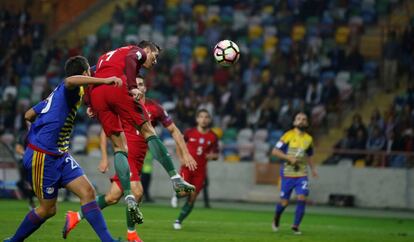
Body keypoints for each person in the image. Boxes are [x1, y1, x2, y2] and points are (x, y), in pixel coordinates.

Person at [4, 56, 123, 242]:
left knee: (88, 193)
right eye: (88, 74)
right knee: (48, 210)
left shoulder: (57, 95)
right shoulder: (69, 87)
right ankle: (13, 241)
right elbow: (70, 80)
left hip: (59, 154)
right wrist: (105, 80)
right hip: (42, 157)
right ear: (84, 74)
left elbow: (28, 115)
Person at [64, 76, 196, 242]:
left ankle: (75, 216)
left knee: (112, 197)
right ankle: (132, 234)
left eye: (141, 84)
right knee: (137, 192)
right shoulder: (122, 104)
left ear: (145, 88)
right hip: (127, 158)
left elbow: (174, 130)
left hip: (139, 161)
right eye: (135, 84)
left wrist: (186, 153)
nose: (138, 87)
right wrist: (104, 157)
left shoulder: (155, 108)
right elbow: (106, 131)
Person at [88, 41, 196, 231]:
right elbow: (132, 58)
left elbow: (88, 73)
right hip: (117, 86)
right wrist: (131, 86)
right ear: (148, 50)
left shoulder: (106, 56)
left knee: (118, 148)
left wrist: (90, 101)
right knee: (149, 131)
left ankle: (126, 197)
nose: (154, 61)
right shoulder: (135, 51)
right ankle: (175, 179)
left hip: (98, 93)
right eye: (155, 56)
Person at [271, 112, 318, 235]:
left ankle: (295, 226)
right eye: (298, 119)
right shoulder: (287, 135)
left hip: (302, 174)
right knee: (284, 202)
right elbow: (275, 151)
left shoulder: (309, 139)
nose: (301, 121)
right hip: (287, 173)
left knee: (302, 197)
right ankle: (276, 217)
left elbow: (310, 155)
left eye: (304, 119)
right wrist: (289, 158)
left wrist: (313, 169)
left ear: (307, 123)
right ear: (294, 122)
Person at [173, 109, 219, 230]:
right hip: (187, 167)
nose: (204, 119)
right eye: (201, 117)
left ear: (209, 120)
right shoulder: (190, 132)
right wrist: (181, 158)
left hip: (200, 171)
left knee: (192, 197)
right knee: (183, 192)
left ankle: (179, 221)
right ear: (197, 119)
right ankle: (177, 195)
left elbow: (216, 154)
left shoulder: (213, 136)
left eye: (206, 117)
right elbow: (178, 143)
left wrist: (212, 156)